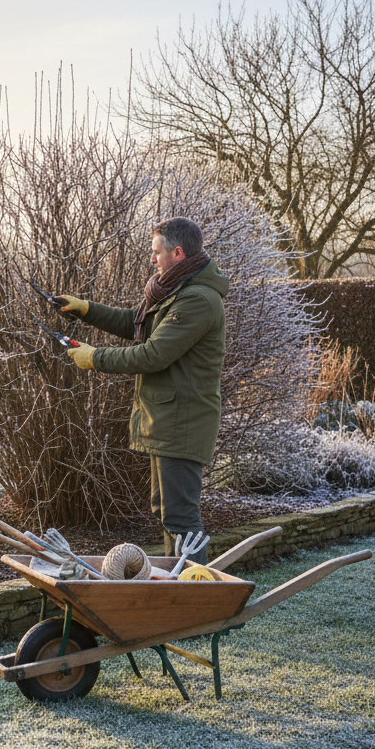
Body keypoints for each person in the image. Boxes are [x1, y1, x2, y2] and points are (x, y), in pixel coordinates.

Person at [52, 217, 228, 564]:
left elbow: (153, 354)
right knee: (168, 511)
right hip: (168, 419)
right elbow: (138, 323)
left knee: (181, 518)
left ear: (177, 253)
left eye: (156, 252)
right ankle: (181, 590)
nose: (152, 259)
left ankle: (195, 595)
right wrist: (86, 311)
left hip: (183, 422)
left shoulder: (198, 300)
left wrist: (94, 358)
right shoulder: (179, 289)